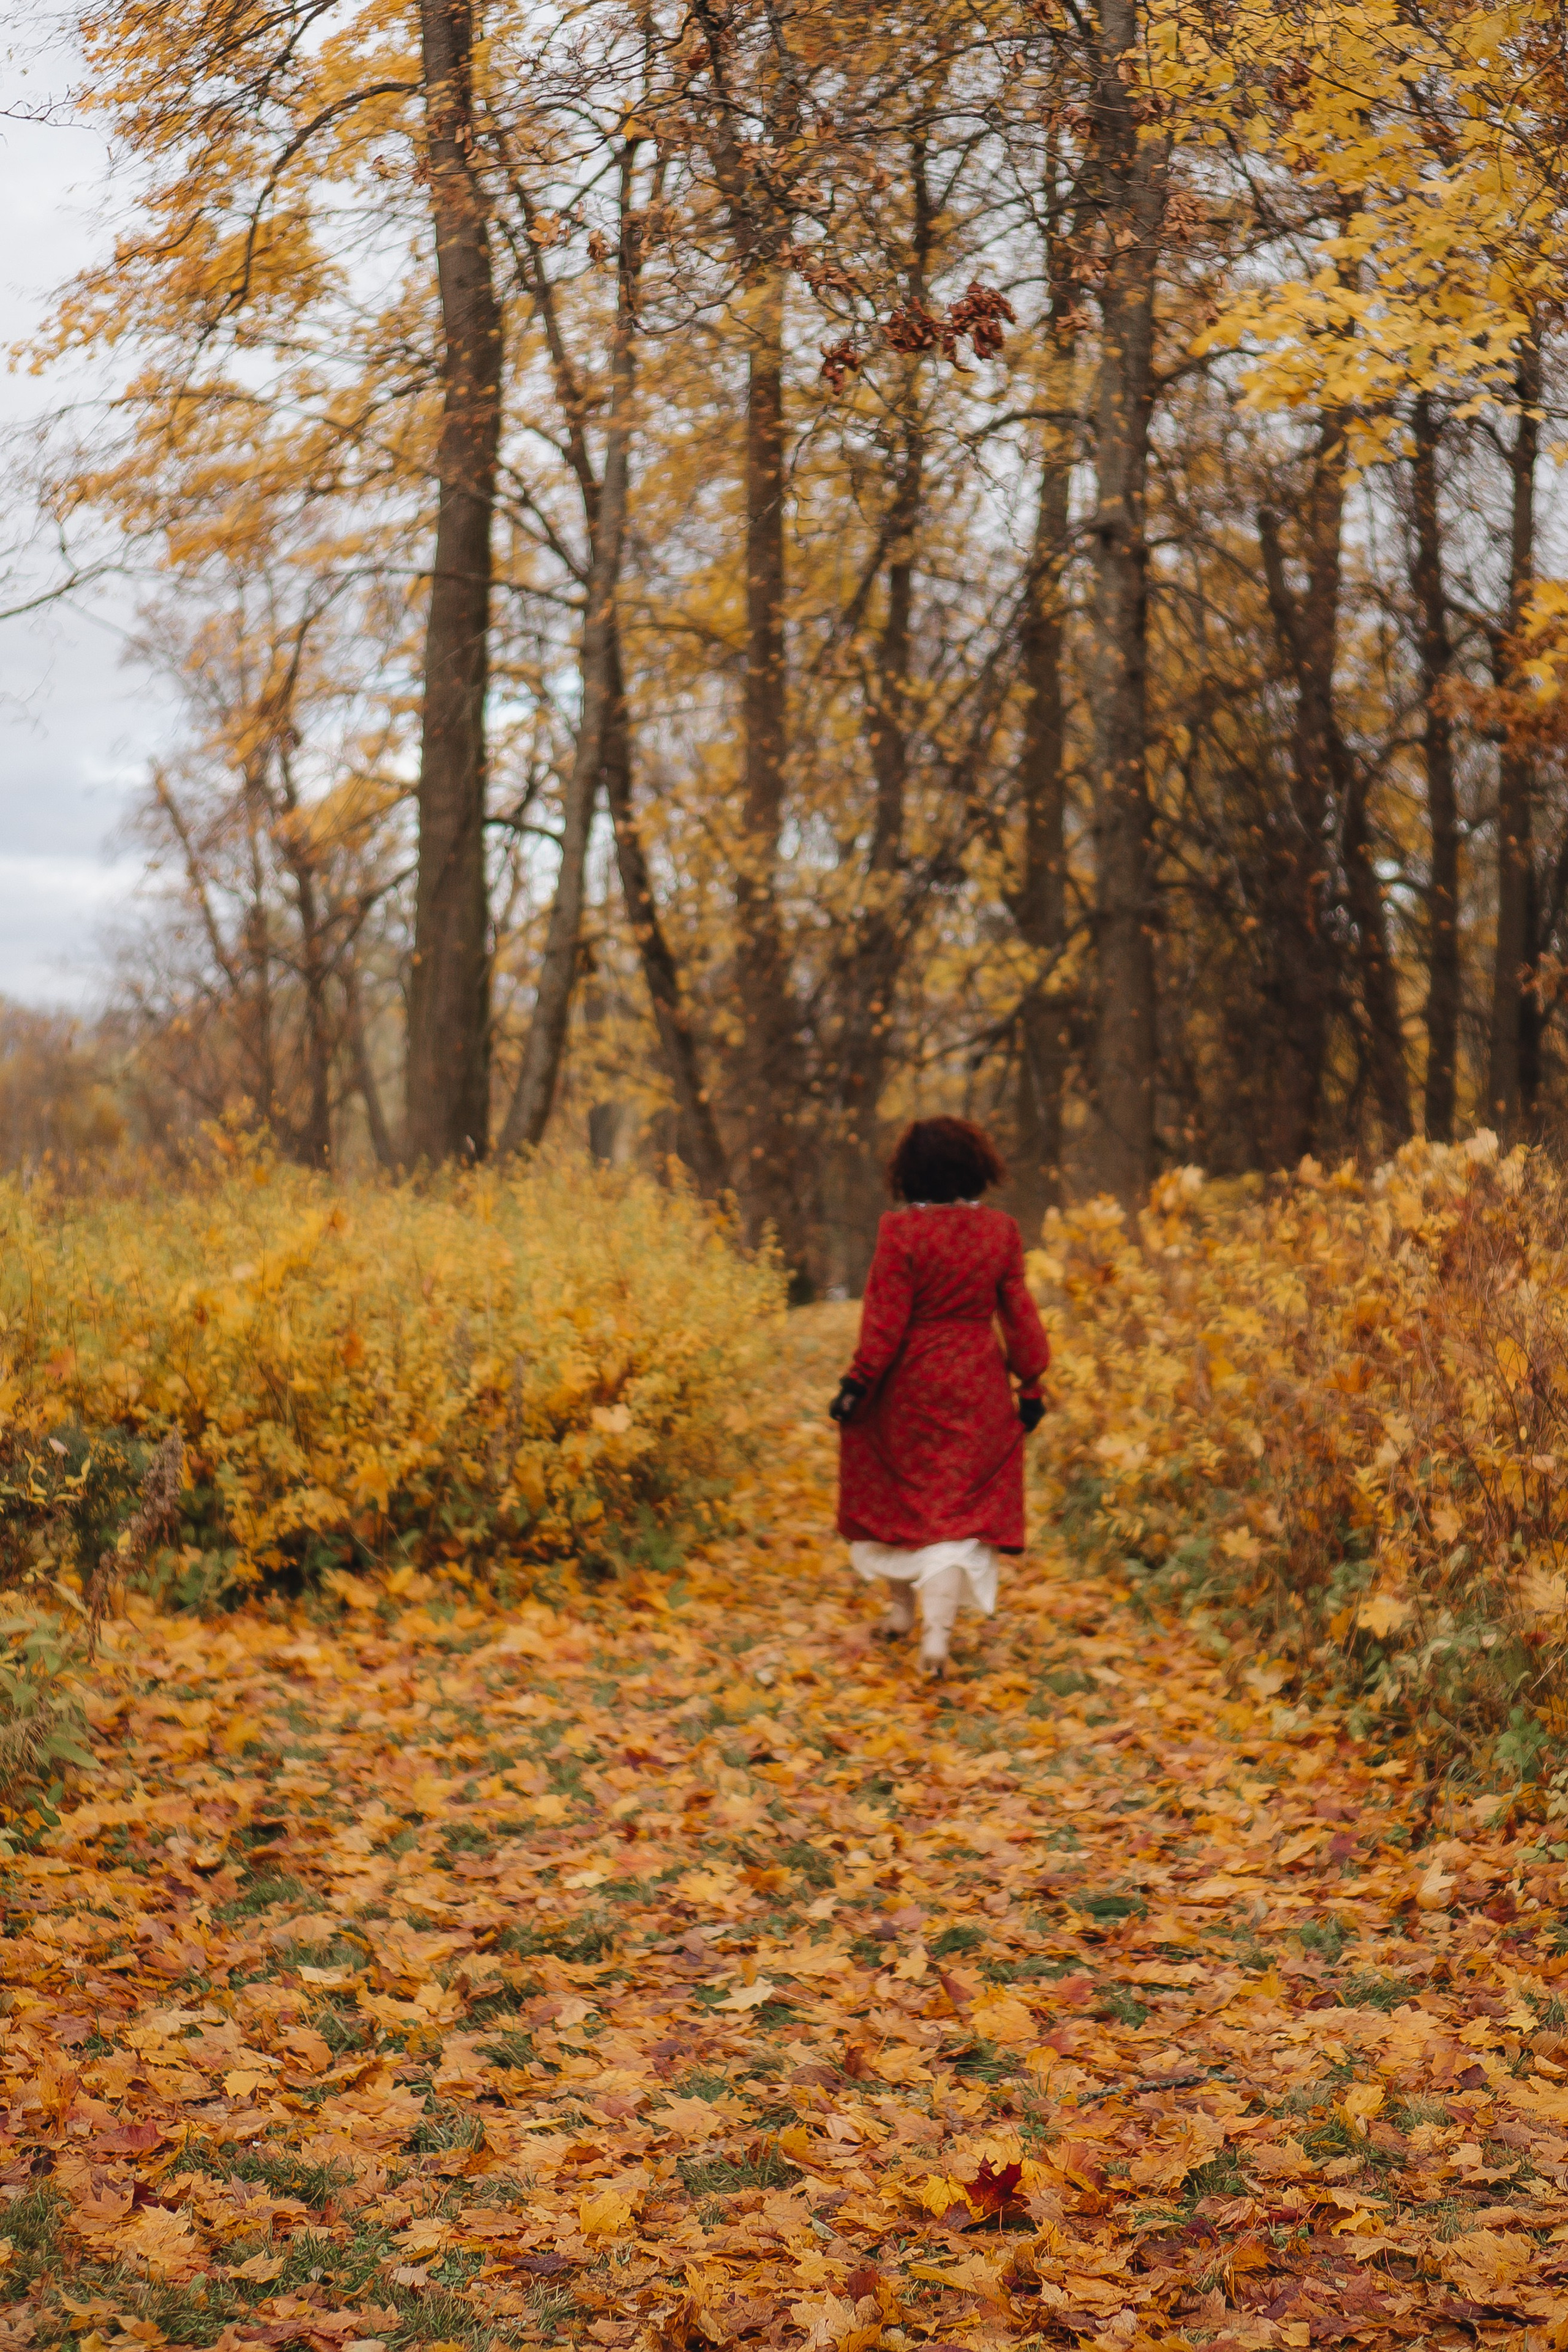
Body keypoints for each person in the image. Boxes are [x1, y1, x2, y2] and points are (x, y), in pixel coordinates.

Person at [829, 1116, 1050, 1679]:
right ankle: (934, 1637)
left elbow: (884, 1321)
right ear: (978, 1169)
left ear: (909, 1173)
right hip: (977, 1384)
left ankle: (902, 1610)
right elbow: (1019, 1314)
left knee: (905, 1499)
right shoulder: (999, 1231)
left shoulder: (901, 1233)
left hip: (909, 1382)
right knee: (956, 1513)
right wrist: (1031, 1381)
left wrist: (858, 1383)